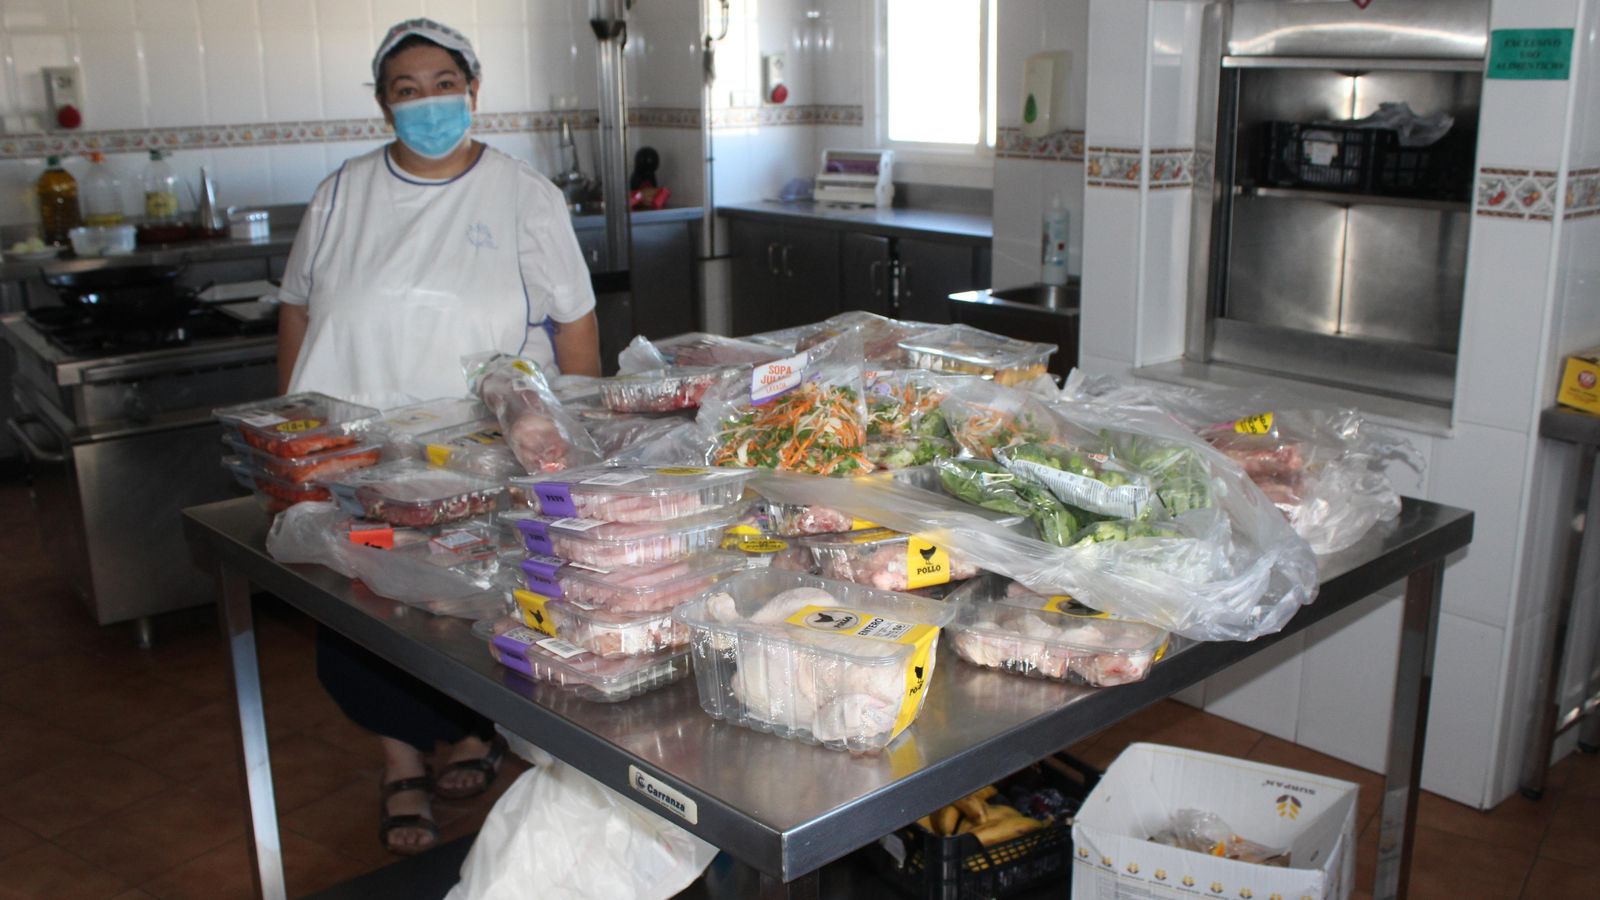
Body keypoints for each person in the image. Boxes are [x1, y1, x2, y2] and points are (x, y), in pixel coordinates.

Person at [275, 18, 601, 855]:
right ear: (383, 103)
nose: (427, 103)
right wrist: (293, 432)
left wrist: (576, 447)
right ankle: (399, 762)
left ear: (473, 90)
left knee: (468, 607)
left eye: (444, 85)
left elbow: (575, 324)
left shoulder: (523, 194)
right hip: (359, 469)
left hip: (479, 465)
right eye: (406, 90)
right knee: (365, 605)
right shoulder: (342, 194)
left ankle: (471, 734)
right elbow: (298, 308)